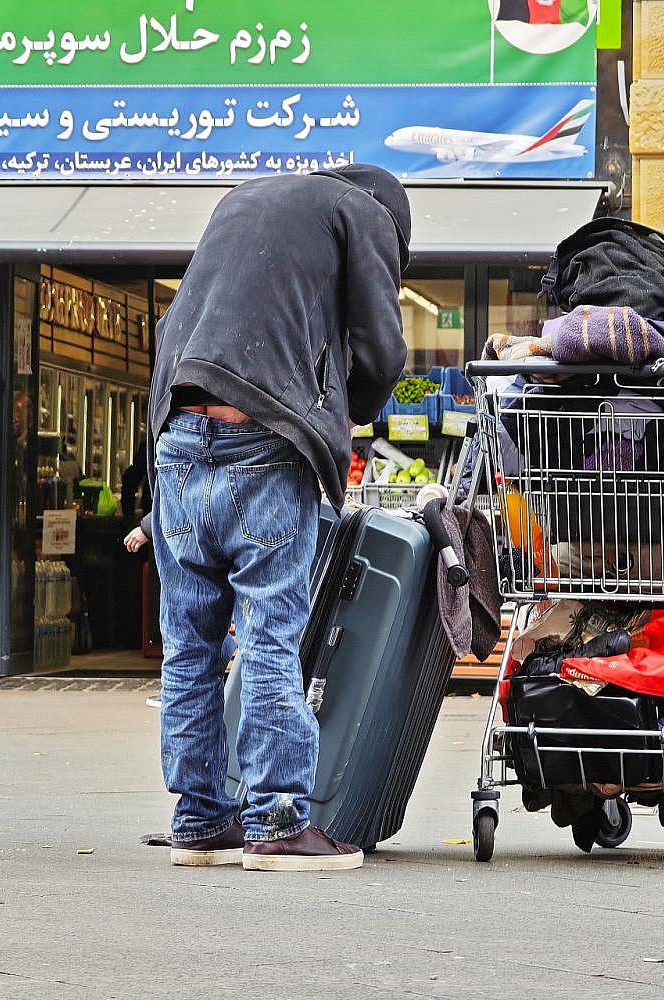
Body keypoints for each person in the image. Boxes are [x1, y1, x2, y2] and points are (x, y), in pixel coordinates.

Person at [148, 164, 409, 872]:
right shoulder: (365, 214)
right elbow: (382, 348)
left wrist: (161, 476)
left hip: (178, 438)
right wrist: (351, 412)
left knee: (190, 643)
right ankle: (276, 820)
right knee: (269, 637)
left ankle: (198, 819)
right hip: (263, 443)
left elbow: (173, 332)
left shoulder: (243, 200)